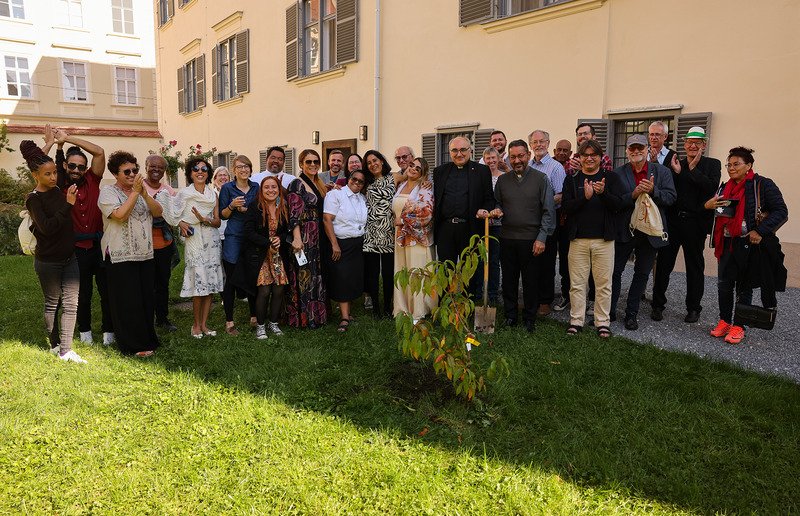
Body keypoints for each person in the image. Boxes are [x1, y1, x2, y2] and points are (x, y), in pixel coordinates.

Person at [704, 147, 788, 344]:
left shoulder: (762, 184)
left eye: (736, 164)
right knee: (723, 284)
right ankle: (724, 320)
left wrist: (760, 231)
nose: (731, 168)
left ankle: (739, 326)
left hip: (747, 244)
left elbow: (781, 211)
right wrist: (708, 206)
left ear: (748, 165)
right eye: (729, 165)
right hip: (725, 243)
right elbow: (718, 213)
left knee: (744, 286)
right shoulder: (724, 187)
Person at [41, 125, 114, 346]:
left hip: (99, 246)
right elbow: (38, 165)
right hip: (74, 250)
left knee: (107, 291)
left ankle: (109, 332)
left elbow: (100, 152)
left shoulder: (93, 179)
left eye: (80, 166)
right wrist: (54, 143)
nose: (76, 169)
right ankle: (85, 332)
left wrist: (69, 138)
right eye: (71, 165)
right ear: (64, 165)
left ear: (85, 168)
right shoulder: (57, 185)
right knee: (81, 294)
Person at [21, 140, 85, 363]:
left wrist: (56, 145)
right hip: (48, 262)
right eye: (47, 174)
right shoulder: (34, 199)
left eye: (55, 173)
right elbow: (46, 228)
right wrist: (68, 205)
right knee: (52, 304)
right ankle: (55, 345)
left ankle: (66, 351)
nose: (53, 177)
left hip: (70, 258)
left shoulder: (57, 188)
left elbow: (54, 163)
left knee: (71, 304)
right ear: (35, 176)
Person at [652, 127, 721, 323]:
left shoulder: (712, 164)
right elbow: (672, 190)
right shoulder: (676, 163)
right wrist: (679, 172)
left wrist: (692, 169)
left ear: (704, 145)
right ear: (684, 144)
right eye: (689, 142)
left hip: (696, 223)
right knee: (664, 265)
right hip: (674, 222)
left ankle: (693, 308)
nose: (693, 146)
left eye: (697, 143)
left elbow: (710, 187)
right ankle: (657, 305)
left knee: (694, 267)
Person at [98, 151, 162, 356]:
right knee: (127, 301)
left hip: (144, 253)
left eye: (135, 170)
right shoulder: (108, 192)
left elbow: (159, 212)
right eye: (127, 171)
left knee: (145, 300)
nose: (132, 174)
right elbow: (120, 216)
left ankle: (147, 339)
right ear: (115, 174)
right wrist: (135, 193)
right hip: (120, 254)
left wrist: (143, 194)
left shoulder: (141, 190)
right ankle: (131, 345)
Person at [610, 135, 676, 330]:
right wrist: (632, 195)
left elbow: (671, 198)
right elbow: (613, 203)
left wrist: (654, 190)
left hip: (650, 232)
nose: (636, 151)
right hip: (625, 230)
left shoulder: (662, 172)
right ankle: (610, 310)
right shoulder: (617, 173)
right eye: (632, 148)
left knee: (642, 274)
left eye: (640, 148)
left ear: (648, 149)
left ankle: (631, 313)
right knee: (615, 272)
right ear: (627, 151)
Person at [491, 139, 556, 333]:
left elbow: (549, 211)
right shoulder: (503, 180)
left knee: (531, 281)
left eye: (521, 156)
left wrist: (542, 238)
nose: (517, 160)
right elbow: (497, 203)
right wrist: (497, 210)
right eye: (513, 157)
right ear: (508, 158)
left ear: (527, 155)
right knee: (509, 281)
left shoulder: (540, 179)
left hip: (532, 239)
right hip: (507, 237)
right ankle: (510, 316)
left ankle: (529, 318)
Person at [561, 139, 624, 337]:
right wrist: (585, 198)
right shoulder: (572, 179)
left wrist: (603, 193)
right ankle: (576, 320)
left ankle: (602, 322)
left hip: (604, 241)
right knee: (577, 284)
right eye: (585, 155)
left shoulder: (611, 178)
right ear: (579, 157)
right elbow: (566, 207)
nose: (589, 158)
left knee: (603, 284)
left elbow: (618, 205)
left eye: (593, 155)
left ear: (600, 157)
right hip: (578, 240)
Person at [432, 136, 494, 296]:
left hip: (470, 228)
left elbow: (489, 199)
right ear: (449, 152)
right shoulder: (440, 172)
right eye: (455, 150)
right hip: (445, 229)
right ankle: (445, 306)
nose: (459, 154)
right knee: (445, 269)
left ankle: (468, 306)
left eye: (463, 150)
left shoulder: (482, 171)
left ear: (470, 150)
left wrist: (484, 210)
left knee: (469, 271)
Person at [169, 158, 223, 338]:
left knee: (209, 284)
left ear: (208, 173)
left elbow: (217, 222)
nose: (200, 172)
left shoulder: (213, 194)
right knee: (198, 283)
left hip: (212, 241)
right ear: (190, 173)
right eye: (196, 169)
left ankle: (205, 325)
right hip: (195, 241)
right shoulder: (184, 194)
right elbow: (173, 215)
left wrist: (203, 219)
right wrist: (182, 224)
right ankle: (195, 325)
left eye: (204, 169)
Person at [237, 176, 292, 339]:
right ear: (261, 190)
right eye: (267, 187)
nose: (271, 190)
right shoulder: (255, 206)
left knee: (279, 290)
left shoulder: (283, 206)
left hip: (278, 255)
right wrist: (267, 242)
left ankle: (273, 324)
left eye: (274, 187)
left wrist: (279, 239)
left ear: (278, 189)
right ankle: (260, 326)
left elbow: (286, 230)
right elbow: (248, 231)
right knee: (264, 290)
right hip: (260, 254)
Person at [286, 149, 327, 329]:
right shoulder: (297, 184)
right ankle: (305, 318)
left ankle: (317, 316)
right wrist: (297, 239)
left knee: (316, 275)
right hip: (304, 236)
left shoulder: (318, 183)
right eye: (308, 162)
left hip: (319, 235)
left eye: (315, 161)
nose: (312, 165)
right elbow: (294, 214)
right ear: (301, 163)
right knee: (305, 275)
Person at [323, 169, 368, 332]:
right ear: (348, 179)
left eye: (360, 181)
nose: (356, 182)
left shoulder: (362, 198)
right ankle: (343, 318)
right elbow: (327, 219)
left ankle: (347, 313)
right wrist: (334, 244)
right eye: (353, 179)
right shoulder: (336, 194)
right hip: (341, 243)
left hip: (357, 244)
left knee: (351, 279)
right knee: (342, 279)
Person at [392, 157, 437, 322]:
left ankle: (418, 311)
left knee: (415, 274)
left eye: (417, 168)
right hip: (400, 237)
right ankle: (402, 308)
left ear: (422, 174)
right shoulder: (401, 185)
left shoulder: (424, 188)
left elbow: (427, 213)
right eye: (412, 165)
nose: (412, 169)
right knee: (402, 272)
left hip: (416, 238)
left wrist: (403, 220)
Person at [219, 155, 259, 335]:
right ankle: (229, 322)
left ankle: (254, 316)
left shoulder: (256, 187)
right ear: (234, 170)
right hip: (234, 237)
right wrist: (233, 206)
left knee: (252, 277)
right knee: (232, 280)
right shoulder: (227, 188)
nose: (244, 170)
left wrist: (247, 210)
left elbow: (260, 210)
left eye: (247, 166)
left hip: (252, 238)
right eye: (240, 167)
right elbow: (223, 215)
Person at [528, 130, 566, 316]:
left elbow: (560, 195)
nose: (539, 145)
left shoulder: (556, 167)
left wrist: (542, 204)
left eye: (542, 141)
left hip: (548, 220)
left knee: (546, 262)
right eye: (535, 142)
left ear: (548, 143)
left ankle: (545, 301)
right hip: (528, 221)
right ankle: (531, 299)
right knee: (530, 260)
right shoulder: (526, 165)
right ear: (530, 145)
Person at [143, 154, 178, 332]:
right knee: (146, 284)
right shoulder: (139, 187)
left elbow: (170, 215)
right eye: (153, 166)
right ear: (146, 167)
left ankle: (162, 318)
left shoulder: (168, 190)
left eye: (160, 168)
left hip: (163, 244)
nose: (156, 170)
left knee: (163, 283)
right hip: (143, 244)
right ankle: (146, 318)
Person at [362, 150, 397, 318]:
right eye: (368, 163)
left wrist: (425, 182)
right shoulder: (365, 182)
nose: (372, 164)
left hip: (390, 232)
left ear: (382, 161)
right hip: (371, 233)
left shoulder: (395, 177)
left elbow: (414, 180)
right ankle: (376, 309)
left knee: (389, 274)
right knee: (373, 273)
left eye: (375, 160)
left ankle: (388, 307)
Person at [478, 146, 505, 304]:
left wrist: (497, 211)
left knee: (494, 260)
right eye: (488, 158)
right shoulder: (480, 176)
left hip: (498, 224)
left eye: (494, 158)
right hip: (482, 223)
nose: (491, 161)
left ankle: (493, 293)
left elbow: (505, 200)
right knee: (481, 260)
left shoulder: (503, 177)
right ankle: (479, 291)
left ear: (499, 158)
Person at [211, 166, 230, 240]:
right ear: (215, 179)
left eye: (225, 175)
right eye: (220, 175)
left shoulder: (233, 192)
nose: (223, 177)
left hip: (230, 234)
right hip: (216, 233)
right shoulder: (211, 194)